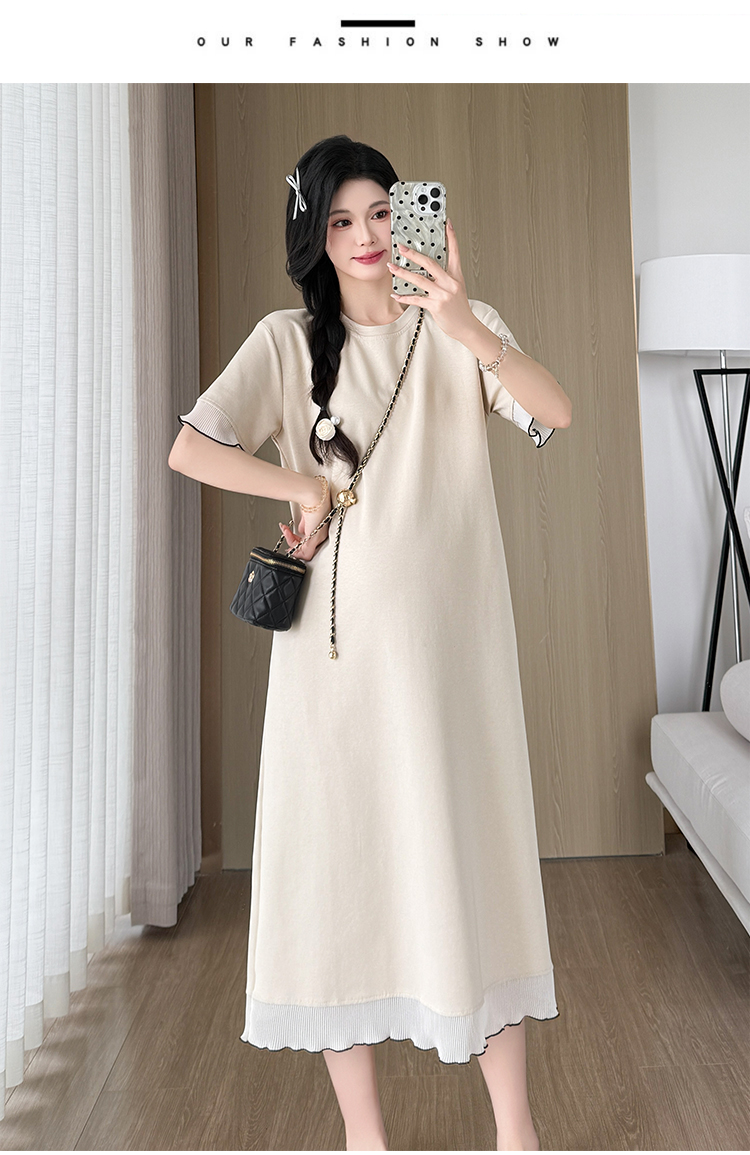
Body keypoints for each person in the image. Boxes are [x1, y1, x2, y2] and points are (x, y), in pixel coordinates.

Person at [168, 134, 572, 1152]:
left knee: (472, 875)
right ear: (314, 233)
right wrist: (299, 483)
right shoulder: (283, 342)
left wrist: (464, 322)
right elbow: (191, 446)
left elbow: (555, 414)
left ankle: (516, 1131)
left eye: (382, 213)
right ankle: (366, 1138)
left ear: (412, 218)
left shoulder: (462, 330)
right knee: (341, 883)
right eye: (340, 219)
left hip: (453, 671)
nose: (364, 235)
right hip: (335, 672)